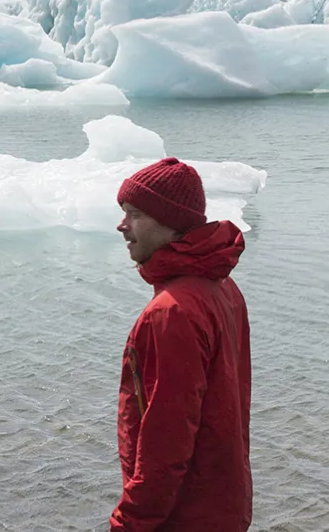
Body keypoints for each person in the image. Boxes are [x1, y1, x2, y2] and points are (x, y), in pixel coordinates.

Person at [109, 157, 253, 532]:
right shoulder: (222, 288)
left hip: (181, 517)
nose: (122, 226)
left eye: (135, 214)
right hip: (221, 501)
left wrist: (130, 522)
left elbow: (166, 441)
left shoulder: (172, 312)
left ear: (170, 221)